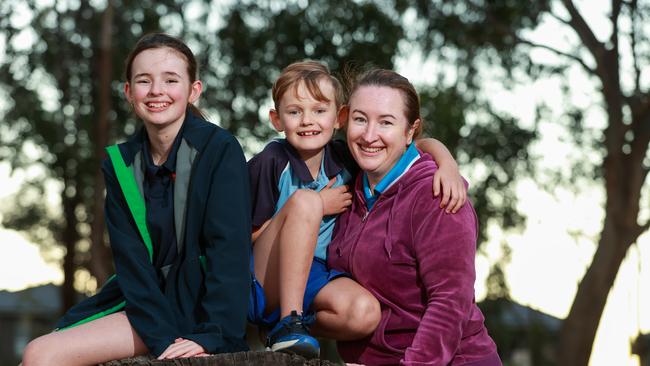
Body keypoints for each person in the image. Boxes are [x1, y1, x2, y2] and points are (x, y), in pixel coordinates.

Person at [22, 33, 251, 365]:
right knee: (40, 352)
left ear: (194, 90)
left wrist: (212, 334)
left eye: (171, 80)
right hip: (147, 308)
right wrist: (161, 340)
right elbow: (131, 263)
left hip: (202, 308)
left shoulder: (219, 150)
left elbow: (228, 249)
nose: (157, 90)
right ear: (129, 92)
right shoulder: (121, 165)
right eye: (144, 81)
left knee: (40, 355)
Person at [247, 61, 467, 359]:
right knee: (306, 201)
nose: (307, 121)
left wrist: (448, 163)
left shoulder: (345, 158)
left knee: (364, 313)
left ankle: (280, 330)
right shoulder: (271, 161)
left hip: (315, 273)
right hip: (263, 275)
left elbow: (416, 145)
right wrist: (316, 206)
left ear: (338, 117)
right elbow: (244, 235)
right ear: (277, 119)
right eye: (295, 111)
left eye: (319, 111)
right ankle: (288, 321)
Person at [328, 69, 501, 365]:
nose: (369, 135)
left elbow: (450, 303)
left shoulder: (437, 196)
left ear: (410, 131)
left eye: (386, 122)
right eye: (360, 119)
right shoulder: (349, 189)